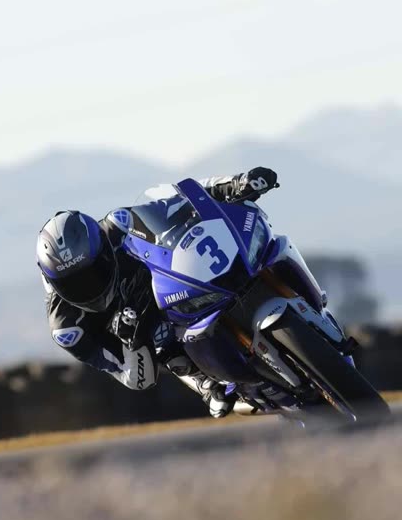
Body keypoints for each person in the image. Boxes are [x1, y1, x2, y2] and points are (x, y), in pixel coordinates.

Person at [36, 168, 278, 418]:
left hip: (180, 286)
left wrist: (236, 184)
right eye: (73, 284)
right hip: (152, 333)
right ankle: (205, 383)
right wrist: (133, 342)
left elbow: (181, 201)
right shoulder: (68, 329)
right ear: (53, 282)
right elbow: (134, 378)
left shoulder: (118, 225)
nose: (89, 288)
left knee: (264, 250)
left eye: (94, 272)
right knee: (166, 346)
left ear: (103, 250)